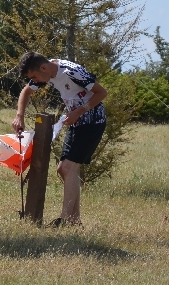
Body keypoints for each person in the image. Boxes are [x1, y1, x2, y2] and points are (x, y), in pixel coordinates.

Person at [12, 51, 107, 227]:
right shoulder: (46, 73)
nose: (35, 81)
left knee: (68, 168)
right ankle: (74, 221)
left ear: (43, 67)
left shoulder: (72, 72)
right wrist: (19, 116)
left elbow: (101, 92)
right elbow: (26, 92)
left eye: (34, 77)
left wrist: (79, 111)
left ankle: (64, 220)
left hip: (92, 122)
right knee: (63, 169)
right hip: (76, 123)